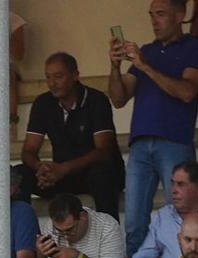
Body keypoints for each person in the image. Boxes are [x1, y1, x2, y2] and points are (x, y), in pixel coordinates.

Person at [107, 0, 198, 254]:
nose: (154, 21)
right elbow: (119, 99)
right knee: (134, 224)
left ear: (180, 15)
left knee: (183, 218)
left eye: (161, 14)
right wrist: (114, 66)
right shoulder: (147, 51)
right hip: (140, 145)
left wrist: (145, 66)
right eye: (152, 15)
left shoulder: (195, 47)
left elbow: (187, 91)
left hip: (174, 143)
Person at [23, 52, 124, 216]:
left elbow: (104, 151)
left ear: (75, 76)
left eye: (58, 76)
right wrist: (40, 168)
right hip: (61, 176)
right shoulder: (43, 103)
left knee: (102, 174)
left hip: (94, 172)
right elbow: (29, 150)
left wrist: (64, 168)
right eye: (48, 77)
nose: (52, 83)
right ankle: (25, 237)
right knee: (20, 173)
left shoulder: (96, 100)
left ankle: (110, 238)